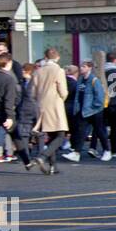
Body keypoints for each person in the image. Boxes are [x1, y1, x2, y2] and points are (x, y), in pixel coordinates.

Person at [32, 48, 69, 176]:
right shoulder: (58, 70)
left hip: (41, 106)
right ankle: (43, 156)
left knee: (51, 136)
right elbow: (63, 91)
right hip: (55, 105)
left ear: (45, 57)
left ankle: (53, 166)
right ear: (57, 58)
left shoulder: (38, 71)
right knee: (60, 135)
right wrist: (62, 99)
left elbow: (32, 92)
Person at [13, 62, 41, 171]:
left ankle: (34, 155)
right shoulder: (25, 82)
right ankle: (32, 156)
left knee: (31, 133)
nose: (22, 72)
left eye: (24, 70)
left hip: (28, 109)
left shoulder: (29, 82)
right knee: (28, 133)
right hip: (28, 109)